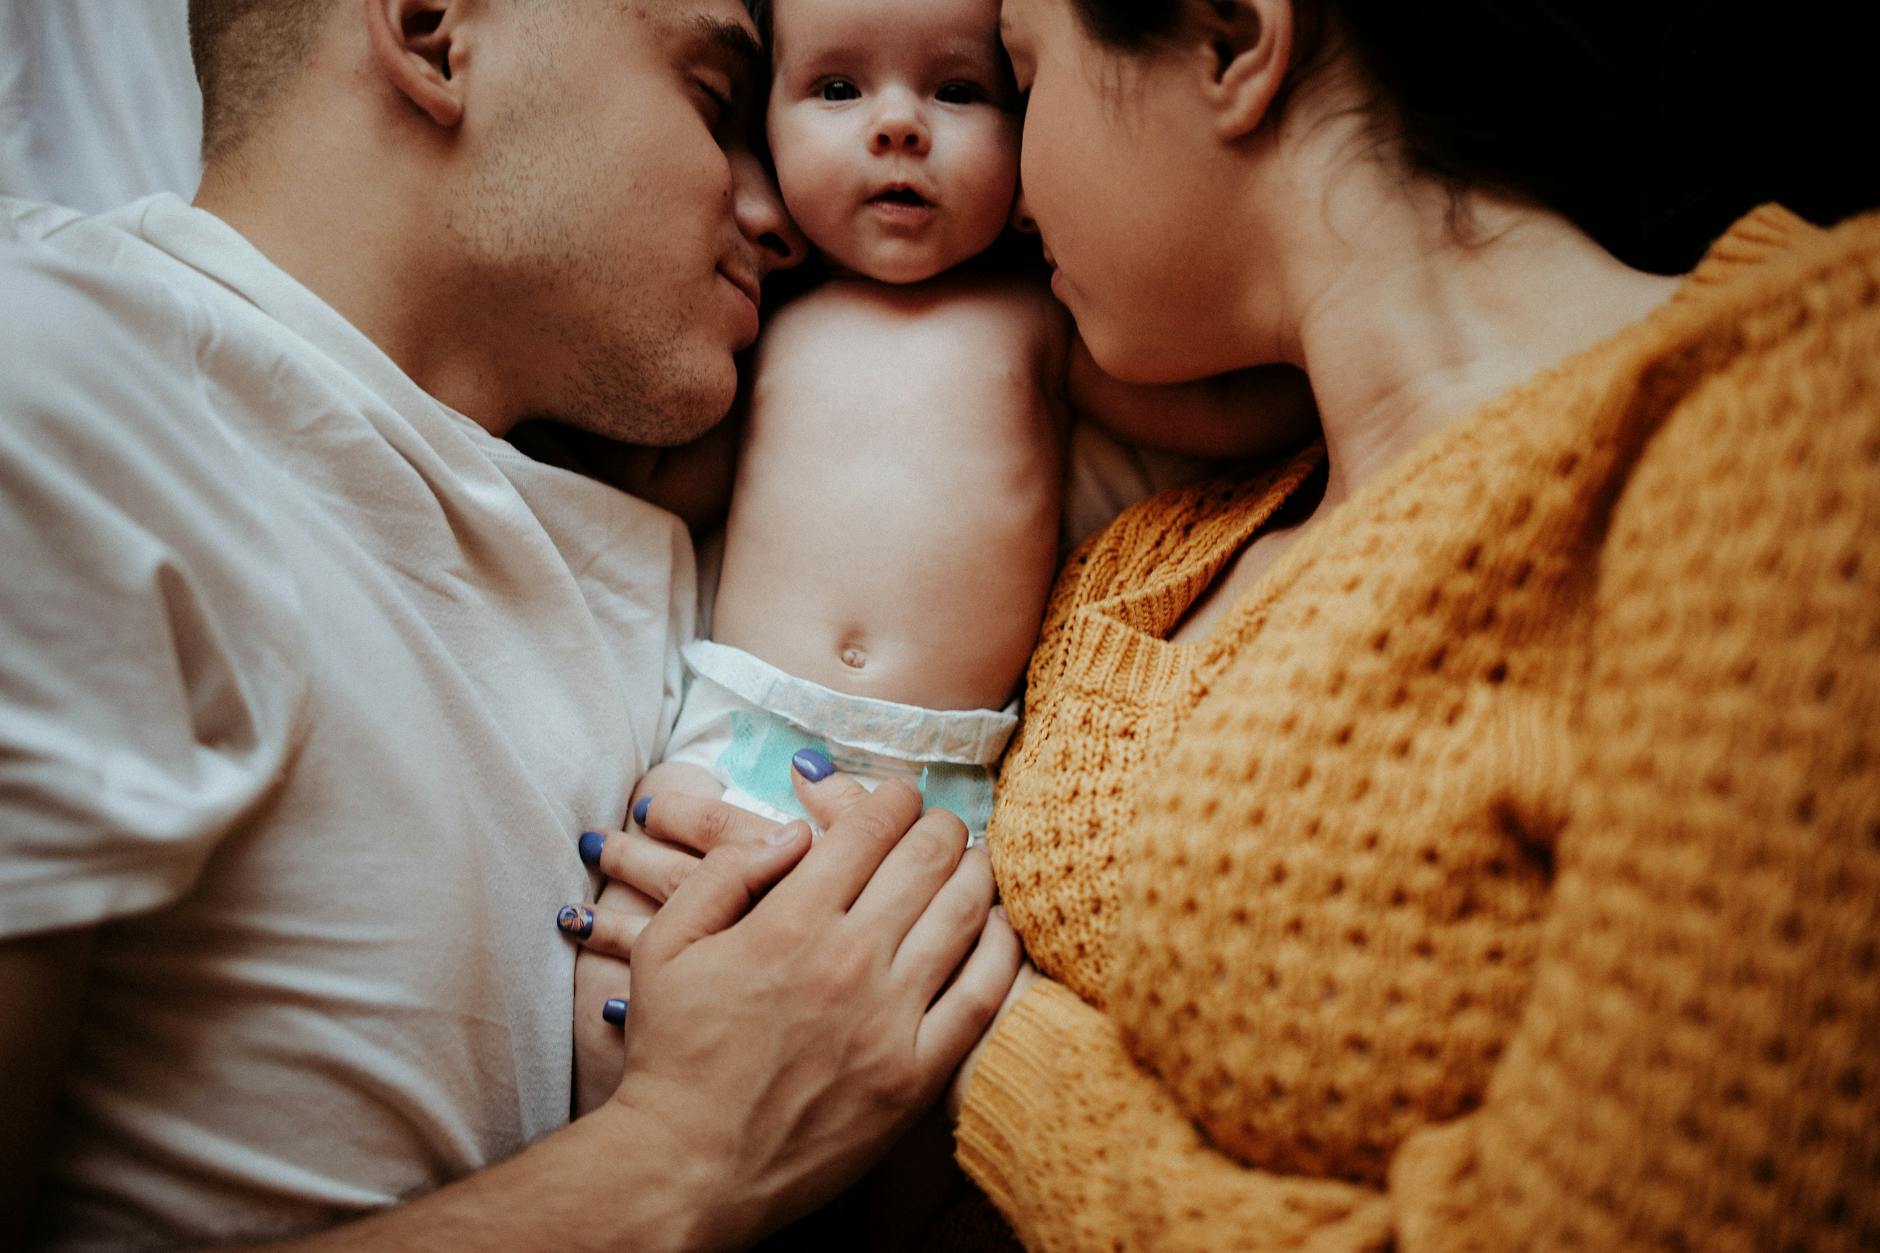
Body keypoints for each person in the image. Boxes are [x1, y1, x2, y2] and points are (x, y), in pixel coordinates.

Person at [594, 0, 1880, 1246]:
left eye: (1019, 81)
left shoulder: (1797, 414)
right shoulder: (1151, 550)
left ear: (1228, 40)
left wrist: (958, 1040)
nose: (1013, 192)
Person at [0, 0, 1023, 1247]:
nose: (779, 215)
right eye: (713, 102)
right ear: (435, 32)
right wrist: (687, 1151)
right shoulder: (57, 392)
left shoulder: (663, 513)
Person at [562, 0, 1313, 1112]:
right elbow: (649, 480)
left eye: (959, 91)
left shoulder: (1047, 321)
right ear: (765, 130)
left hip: (942, 794)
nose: (899, 126)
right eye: (837, 90)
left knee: (931, 1073)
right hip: (743, 739)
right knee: (621, 999)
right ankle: (628, 1157)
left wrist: (1316, 364)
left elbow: (1223, 416)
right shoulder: (762, 324)